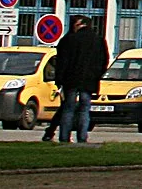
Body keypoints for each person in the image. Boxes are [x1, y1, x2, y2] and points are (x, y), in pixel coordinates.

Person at [46, 16, 109, 145]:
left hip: (70, 80)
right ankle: (82, 137)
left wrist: (59, 80)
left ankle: (64, 137)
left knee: (68, 109)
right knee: (84, 109)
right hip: (89, 81)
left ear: (80, 24)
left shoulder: (69, 40)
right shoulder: (98, 41)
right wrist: (97, 75)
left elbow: (61, 62)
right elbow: (104, 61)